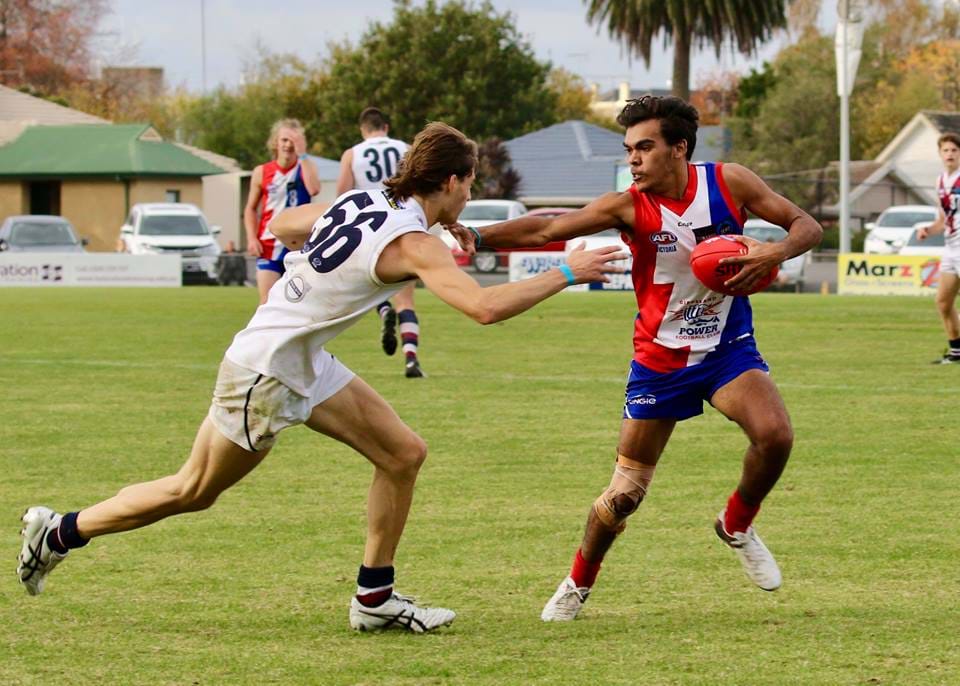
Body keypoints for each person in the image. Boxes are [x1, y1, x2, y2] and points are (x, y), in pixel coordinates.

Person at [17, 122, 625, 633]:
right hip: (267, 370)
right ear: (450, 182)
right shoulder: (415, 242)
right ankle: (61, 532)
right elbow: (484, 308)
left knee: (403, 453)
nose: (470, 195)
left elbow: (285, 224)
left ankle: (374, 599)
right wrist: (567, 273)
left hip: (301, 359)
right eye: (470, 184)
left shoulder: (363, 199)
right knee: (192, 490)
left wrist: (315, 265)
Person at [450, 95, 822, 621]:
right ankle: (578, 582)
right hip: (659, 360)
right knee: (624, 495)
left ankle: (736, 524)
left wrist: (773, 251)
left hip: (726, 349)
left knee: (776, 435)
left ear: (679, 148)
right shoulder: (627, 206)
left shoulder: (730, 182)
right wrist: (477, 235)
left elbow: (806, 225)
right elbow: (547, 229)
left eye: (644, 147)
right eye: (629, 149)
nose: (633, 159)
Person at [336, 107, 423, 378]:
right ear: (386, 127)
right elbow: (418, 187)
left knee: (371, 282)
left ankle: (383, 309)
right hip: (401, 224)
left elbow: (342, 195)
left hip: (369, 227)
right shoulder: (406, 149)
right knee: (406, 300)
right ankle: (411, 358)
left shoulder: (352, 154)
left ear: (363, 130)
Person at [244, 118, 321, 305]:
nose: (288, 145)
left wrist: (303, 155)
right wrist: (252, 238)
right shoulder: (262, 171)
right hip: (269, 245)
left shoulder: (306, 167)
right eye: (284, 140)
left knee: (300, 303)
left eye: (293, 141)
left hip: (298, 246)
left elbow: (314, 189)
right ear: (275, 142)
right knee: (267, 302)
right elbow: (250, 209)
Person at [916, 131, 960, 364]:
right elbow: (943, 220)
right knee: (943, 302)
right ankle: (956, 352)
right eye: (946, 150)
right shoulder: (941, 181)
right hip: (951, 249)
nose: (950, 154)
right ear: (940, 154)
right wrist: (928, 230)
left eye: (954, 150)